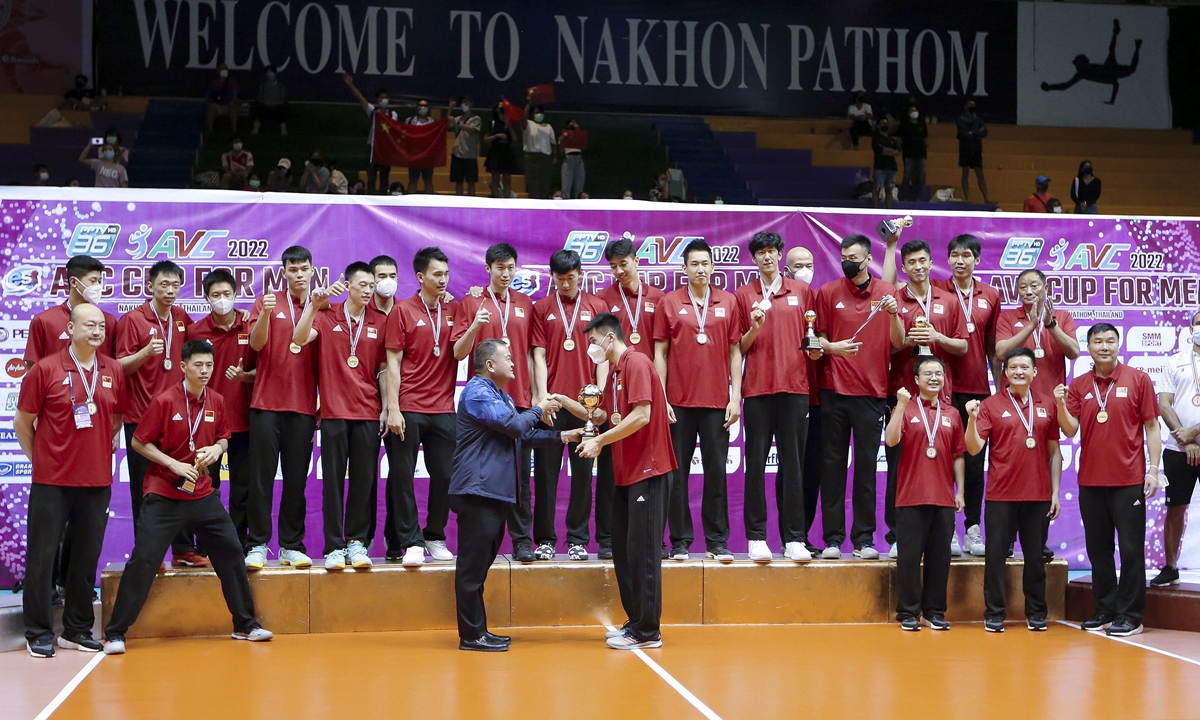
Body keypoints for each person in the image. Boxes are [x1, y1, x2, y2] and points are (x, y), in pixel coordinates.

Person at [104, 340, 272, 654]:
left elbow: (224, 436)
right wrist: (173, 463)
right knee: (144, 560)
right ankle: (115, 632)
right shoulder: (164, 401)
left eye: (209, 365)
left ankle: (245, 624)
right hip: (164, 495)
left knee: (232, 551)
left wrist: (217, 448)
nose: (205, 371)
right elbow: (140, 443)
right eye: (198, 365)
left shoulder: (217, 401)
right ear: (183, 367)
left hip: (203, 495)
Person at [450, 339, 577, 651]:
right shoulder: (478, 390)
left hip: (494, 492)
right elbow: (512, 425)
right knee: (471, 568)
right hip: (477, 491)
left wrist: (562, 435)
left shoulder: (500, 395)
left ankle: (479, 630)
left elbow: (524, 433)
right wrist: (539, 408)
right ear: (490, 365)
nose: (514, 363)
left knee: (481, 567)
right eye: (508, 358)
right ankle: (470, 636)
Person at [15, 304, 124, 658]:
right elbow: (23, 422)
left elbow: (117, 415)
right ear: (70, 328)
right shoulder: (45, 369)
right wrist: (41, 462)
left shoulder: (112, 370)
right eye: (88, 325)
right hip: (52, 483)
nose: (97, 331)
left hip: (96, 481)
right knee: (42, 558)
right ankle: (38, 631)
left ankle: (76, 630)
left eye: (101, 326)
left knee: (85, 557)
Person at [1055, 324, 1161, 637]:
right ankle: (1104, 608)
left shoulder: (1137, 379)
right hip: (1090, 481)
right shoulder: (1079, 385)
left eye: (1110, 341)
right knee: (1098, 550)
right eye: (1098, 341)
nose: (1104, 346)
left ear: (1118, 344)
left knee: (1130, 550)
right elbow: (1070, 429)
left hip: (1129, 481)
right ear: (1088, 346)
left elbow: (1152, 426)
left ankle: (1131, 616)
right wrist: (1061, 404)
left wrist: (1154, 469)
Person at [578, 313, 676, 649]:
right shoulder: (616, 373)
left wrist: (600, 442)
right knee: (623, 550)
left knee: (644, 552)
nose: (590, 348)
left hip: (649, 471)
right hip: (626, 474)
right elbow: (609, 417)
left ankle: (648, 631)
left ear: (608, 338)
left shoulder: (635, 363)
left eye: (592, 341)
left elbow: (642, 415)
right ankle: (635, 621)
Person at [815, 234, 902, 559]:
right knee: (833, 467)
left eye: (853, 256)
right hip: (834, 392)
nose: (847, 260)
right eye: (843, 256)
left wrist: (894, 314)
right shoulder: (828, 292)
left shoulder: (886, 293)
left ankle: (864, 539)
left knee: (866, 470)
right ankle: (833, 539)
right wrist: (832, 347)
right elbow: (816, 339)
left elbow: (898, 341)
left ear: (867, 260)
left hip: (872, 394)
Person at [654, 240, 742, 562]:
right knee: (677, 476)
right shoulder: (669, 302)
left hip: (717, 402)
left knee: (717, 472)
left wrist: (736, 397)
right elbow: (659, 353)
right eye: (694, 264)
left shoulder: (729, 302)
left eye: (705, 263)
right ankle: (680, 541)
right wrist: (662, 398)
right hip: (678, 403)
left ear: (713, 267)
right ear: (684, 268)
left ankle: (717, 541)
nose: (700, 269)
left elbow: (736, 352)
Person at [294, 264, 386, 571]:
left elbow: (385, 371)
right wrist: (312, 304)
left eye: (371, 285)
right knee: (332, 483)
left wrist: (387, 407)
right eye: (362, 284)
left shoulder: (380, 321)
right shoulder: (326, 314)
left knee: (363, 481)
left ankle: (356, 542)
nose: (368, 289)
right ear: (346, 285)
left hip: (368, 413)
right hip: (333, 413)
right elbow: (298, 337)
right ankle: (334, 547)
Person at [880, 239, 968, 557]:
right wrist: (906, 340)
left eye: (923, 261)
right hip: (903, 394)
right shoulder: (894, 300)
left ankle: (948, 531)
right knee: (898, 467)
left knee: (943, 462)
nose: (918, 267)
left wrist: (937, 337)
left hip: (941, 398)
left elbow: (963, 346)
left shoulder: (949, 299)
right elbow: (887, 347)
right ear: (903, 267)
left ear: (931, 264)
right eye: (911, 262)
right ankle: (897, 536)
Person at [736, 232, 820, 562]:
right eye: (761, 252)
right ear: (754, 258)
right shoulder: (744, 295)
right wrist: (755, 327)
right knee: (755, 464)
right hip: (757, 390)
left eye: (772, 251)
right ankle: (756, 537)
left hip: (795, 389)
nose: (767, 257)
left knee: (793, 466)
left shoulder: (801, 292)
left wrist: (815, 353)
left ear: (780, 256)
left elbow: (814, 339)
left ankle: (794, 538)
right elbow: (739, 347)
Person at [452, 243, 537, 562]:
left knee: (521, 476)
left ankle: (522, 540)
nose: (506, 273)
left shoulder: (527, 303)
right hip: (487, 404)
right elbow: (458, 352)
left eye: (511, 267)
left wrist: (536, 397)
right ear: (487, 268)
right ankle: (480, 543)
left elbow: (532, 353)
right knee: (487, 471)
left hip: (520, 399)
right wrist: (475, 323)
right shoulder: (472, 300)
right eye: (499, 267)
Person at [965, 348, 1060, 633]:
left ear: (1035, 372)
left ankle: (1036, 613)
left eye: (1024, 367)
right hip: (1000, 496)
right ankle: (994, 613)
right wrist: (971, 420)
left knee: (1035, 559)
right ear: (1005, 373)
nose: (1019, 371)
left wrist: (1055, 493)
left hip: (1038, 496)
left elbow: (1054, 453)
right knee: (995, 558)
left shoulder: (1047, 405)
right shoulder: (990, 405)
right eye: (1013, 367)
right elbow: (973, 448)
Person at [384, 248, 460, 566]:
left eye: (445, 274)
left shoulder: (454, 308)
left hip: (443, 407)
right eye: (436, 274)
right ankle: (412, 542)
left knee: (445, 474)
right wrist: (393, 408)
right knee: (402, 476)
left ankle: (434, 535)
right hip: (409, 405)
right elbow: (392, 362)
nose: (442, 280)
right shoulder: (402, 311)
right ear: (420, 276)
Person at [530, 250, 608, 561]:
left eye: (571, 277)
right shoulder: (542, 308)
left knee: (583, 476)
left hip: (584, 409)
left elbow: (602, 355)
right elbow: (537, 354)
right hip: (552, 406)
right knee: (546, 477)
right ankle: (545, 540)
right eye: (560, 278)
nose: (566, 283)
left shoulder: (597, 306)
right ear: (552, 276)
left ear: (581, 274)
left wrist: (599, 394)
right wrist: (542, 396)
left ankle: (577, 538)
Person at [115, 260, 195, 563]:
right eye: (164, 284)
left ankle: (184, 549)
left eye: (175, 284)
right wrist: (146, 353)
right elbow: (119, 367)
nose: (170, 290)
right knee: (146, 490)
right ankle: (148, 554)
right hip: (141, 418)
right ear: (150, 285)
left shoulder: (181, 318)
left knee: (183, 483)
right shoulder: (132, 320)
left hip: (177, 418)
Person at [245, 246, 319, 570]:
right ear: (284, 271)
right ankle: (257, 544)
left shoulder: (320, 305)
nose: (299, 274)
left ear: (312, 270)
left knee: (296, 481)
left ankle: (291, 545)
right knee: (260, 478)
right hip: (265, 403)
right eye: (293, 269)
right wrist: (264, 314)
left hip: (303, 406)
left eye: (304, 268)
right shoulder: (266, 301)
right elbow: (256, 344)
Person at [932, 235, 1002, 557]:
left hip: (977, 390)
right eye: (954, 255)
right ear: (947, 260)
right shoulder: (936, 290)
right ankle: (946, 530)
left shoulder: (991, 294)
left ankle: (973, 529)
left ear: (977, 259)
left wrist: (1000, 390)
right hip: (942, 388)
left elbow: (991, 347)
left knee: (975, 463)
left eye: (967, 256)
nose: (960, 261)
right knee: (943, 461)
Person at [884, 357, 965, 632]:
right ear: (916, 379)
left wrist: (960, 491)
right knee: (908, 559)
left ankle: (934, 612)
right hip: (910, 497)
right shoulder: (904, 408)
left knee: (939, 560)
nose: (934, 378)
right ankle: (907, 612)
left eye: (939, 374)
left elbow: (958, 455)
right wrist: (901, 406)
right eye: (928, 373)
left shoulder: (952, 414)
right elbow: (891, 440)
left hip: (943, 498)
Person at [597, 238, 665, 558]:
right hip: (616, 390)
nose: (619, 271)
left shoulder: (658, 298)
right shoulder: (603, 299)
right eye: (613, 266)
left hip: (647, 389)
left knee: (653, 466)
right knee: (614, 468)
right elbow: (599, 351)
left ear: (636, 261)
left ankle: (656, 539)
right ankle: (609, 539)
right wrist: (599, 397)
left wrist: (662, 396)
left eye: (623, 264)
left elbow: (663, 351)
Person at [188, 270, 256, 551]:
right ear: (206, 298)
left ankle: (238, 543)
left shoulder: (251, 326)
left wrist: (244, 377)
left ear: (235, 294)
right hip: (206, 424)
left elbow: (262, 371)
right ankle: (206, 546)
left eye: (227, 294)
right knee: (206, 488)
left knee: (243, 490)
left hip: (245, 419)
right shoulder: (196, 331)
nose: (222, 300)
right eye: (215, 295)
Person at [1151, 310, 1200, 588]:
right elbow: (1164, 404)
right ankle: (1170, 567)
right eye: (1198, 324)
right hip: (1177, 448)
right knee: (1175, 508)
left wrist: (1193, 432)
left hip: (1188, 438)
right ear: (1190, 328)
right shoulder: (1174, 362)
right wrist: (1185, 439)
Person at [784, 245, 823, 553]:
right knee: (789, 469)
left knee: (811, 472)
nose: (805, 270)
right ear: (787, 270)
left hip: (820, 398)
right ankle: (788, 536)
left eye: (809, 264)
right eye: (798, 265)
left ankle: (802, 534)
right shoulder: (782, 301)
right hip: (791, 397)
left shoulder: (819, 300)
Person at [995, 270, 1079, 402]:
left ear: (1045, 288)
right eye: (1023, 287)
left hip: (1051, 396)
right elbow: (1001, 354)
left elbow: (1073, 352)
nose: (1028, 292)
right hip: (1014, 399)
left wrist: (1050, 325)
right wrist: (1031, 325)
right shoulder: (1007, 318)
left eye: (1034, 286)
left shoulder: (1063, 317)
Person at [25, 255, 118, 367]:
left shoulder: (108, 321)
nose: (98, 286)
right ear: (74, 282)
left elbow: (115, 366)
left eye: (99, 281)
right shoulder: (44, 321)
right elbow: (32, 369)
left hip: (97, 384)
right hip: (57, 384)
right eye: (93, 281)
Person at [344, 74, 398, 195]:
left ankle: (383, 198)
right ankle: (371, 197)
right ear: (378, 100)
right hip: (373, 148)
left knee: (384, 176)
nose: (383, 100)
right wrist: (350, 84)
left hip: (386, 150)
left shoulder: (393, 115)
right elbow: (360, 98)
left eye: (385, 98)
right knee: (371, 176)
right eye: (381, 98)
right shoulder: (373, 112)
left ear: (388, 100)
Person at [522, 96, 556, 199]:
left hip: (545, 158)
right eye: (536, 113)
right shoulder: (529, 124)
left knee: (545, 184)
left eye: (540, 113)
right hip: (532, 158)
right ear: (532, 114)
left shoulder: (548, 126)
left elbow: (553, 143)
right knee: (533, 184)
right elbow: (523, 118)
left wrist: (554, 156)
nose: (538, 115)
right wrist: (529, 103)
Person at [956, 100, 990, 204]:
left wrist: (972, 133)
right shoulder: (960, 119)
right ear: (965, 107)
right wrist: (977, 133)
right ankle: (967, 198)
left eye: (974, 105)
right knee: (965, 173)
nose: (972, 106)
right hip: (965, 149)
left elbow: (985, 132)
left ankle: (986, 199)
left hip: (976, 150)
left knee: (980, 174)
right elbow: (963, 134)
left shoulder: (978, 120)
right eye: (970, 105)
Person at [484, 102, 517, 198]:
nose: (501, 107)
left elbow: (515, 138)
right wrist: (497, 136)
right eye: (499, 106)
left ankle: (507, 199)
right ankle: (495, 197)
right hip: (495, 151)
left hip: (507, 151)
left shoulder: (510, 122)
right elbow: (486, 139)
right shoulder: (492, 123)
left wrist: (509, 126)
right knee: (495, 177)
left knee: (507, 179)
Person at [449, 96, 481, 196]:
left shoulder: (476, 118)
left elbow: (471, 129)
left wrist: (457, 123)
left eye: (467, 102)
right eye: (463, 102)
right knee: (458, 181)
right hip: (457, 154)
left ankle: (471, 201)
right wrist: (450, 109)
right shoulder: (458, 118)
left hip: (470, 155)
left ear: (471, 104)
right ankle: (459, 201)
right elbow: (447, 125)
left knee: (471, 181)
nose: (464, 104)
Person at [897, 105, 927, 202]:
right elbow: (899, 138)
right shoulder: (904, 125)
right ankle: (904, 196)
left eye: (915, 110)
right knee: (907, 175)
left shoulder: (922, 124)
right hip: (908, 154)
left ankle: (917, 196)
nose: (914, 112)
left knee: (921, 175)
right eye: (912, 110)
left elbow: (925, 138)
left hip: (921, 154)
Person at [871, 119, 901, 209]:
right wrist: (890, 151)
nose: (885, 125)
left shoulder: (891, 140)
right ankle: (876, 210)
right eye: (883, 123)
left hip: (891, 167)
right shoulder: (876, 139)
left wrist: (888, 151)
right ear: (878, 126)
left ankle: (889, 210)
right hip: (880, 167)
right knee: (877, 189)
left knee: (890, 190)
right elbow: (881, 151)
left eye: (886, 123)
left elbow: (898, 151)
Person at [251, 66, 288, 135]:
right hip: (265, 106)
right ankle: (255, 130)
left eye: (271, 72)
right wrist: (265, 102)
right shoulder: (262, 86)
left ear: (275, 73)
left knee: (281, 115)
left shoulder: (280, 86)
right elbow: (259, 98)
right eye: (268, 72)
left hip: (277, 106)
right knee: (259, 114)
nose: (270, 74)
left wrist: (276, 103)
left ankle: (283, 130)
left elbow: (283, 99)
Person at [206, 64, 240, 132]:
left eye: (225, 69)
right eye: (222, 69)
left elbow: (235, 94)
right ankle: (210, 129)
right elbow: (209, 95)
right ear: (218, 71)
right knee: (212, 107)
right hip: (218, 106)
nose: (224, 71)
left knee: (233, 107)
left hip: (228, 106)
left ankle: (234, 129)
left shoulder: (232, 82)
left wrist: (232, 102)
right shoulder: (214, 83)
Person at [559, 119, 585, 199]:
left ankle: (578, 202)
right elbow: (561, 152)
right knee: (566, 185)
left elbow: (582, 142)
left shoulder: (578, 135)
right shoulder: (563, 136)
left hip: (578, 158)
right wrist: (561, 141)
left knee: (579, 184)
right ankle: (566, 203)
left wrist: (577, 128)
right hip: (569, 158)